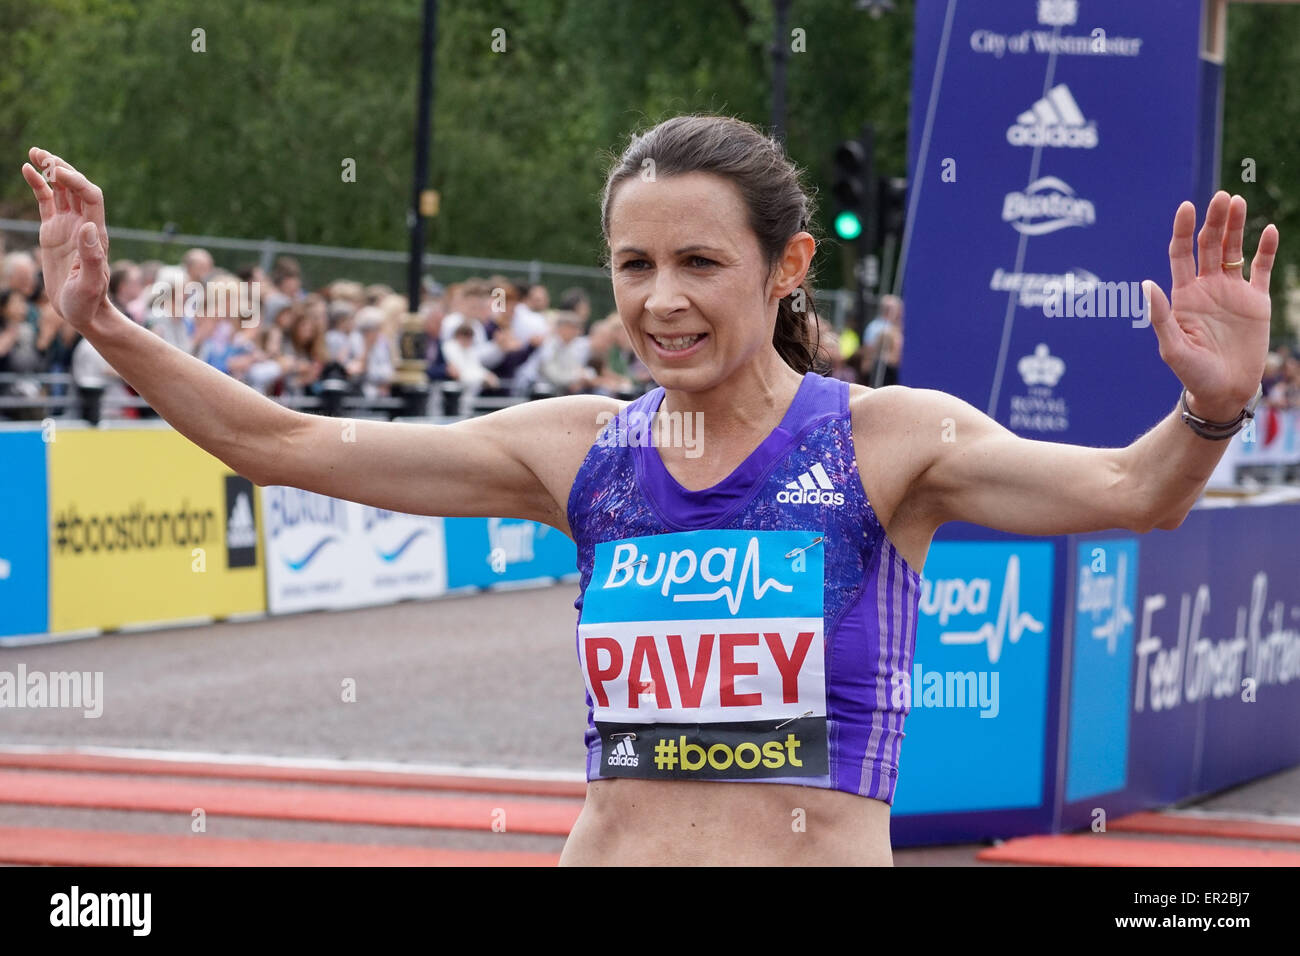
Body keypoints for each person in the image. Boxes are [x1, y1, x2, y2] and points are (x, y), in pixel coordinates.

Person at [21, 114, 1278, 866]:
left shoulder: (893, 440)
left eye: (697, 260)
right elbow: (289, 443)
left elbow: (1134, 489)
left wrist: (1211, 401)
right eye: (632, 263)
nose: (659, 298)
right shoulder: (579, 448)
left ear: (789, 266)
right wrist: (106, 325)